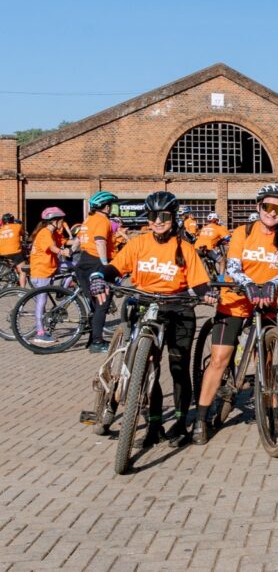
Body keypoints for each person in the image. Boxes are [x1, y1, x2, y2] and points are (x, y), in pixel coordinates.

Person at [90, 192, 215, 448]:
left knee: (178, 368)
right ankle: (154, 426)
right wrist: (98, 276)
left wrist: (209, 294)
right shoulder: (138, 244)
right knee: (149, 368)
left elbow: (200, 282)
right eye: (152, 216)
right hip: (146, 306)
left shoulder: (184, 247)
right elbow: (114, 268)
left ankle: (180, 423)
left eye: (164, 216)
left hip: (178, 308)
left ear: (173, 218)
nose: (158, 221)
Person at [193, 184, 278, 445]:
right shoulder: (243, 232)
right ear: (258, 206)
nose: (272, 212)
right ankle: (201, 418)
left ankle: (272, 414)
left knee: (266, 363)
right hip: (235, 300)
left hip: (265, 302)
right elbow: (232, 266)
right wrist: (248, 283)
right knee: (219, 359)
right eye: (267, 206)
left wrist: (272, 284)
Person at [77, 190, 119, 353]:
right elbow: (100, 242)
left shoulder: (88, 220)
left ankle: (92, 338)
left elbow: (79, 240)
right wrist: (105, 264)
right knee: (102, 304)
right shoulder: (103, 221)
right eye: (111, 206)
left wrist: (69, 252)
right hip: (96, 263)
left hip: (84, 260)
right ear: (107, 207)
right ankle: (97, 342)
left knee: (95, 305)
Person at [27, 207, 72, 345]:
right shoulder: (45, 232)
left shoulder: (54, 233)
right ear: (54, 221)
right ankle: (40, 333)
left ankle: (61, 293)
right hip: (41, 270)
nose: (63, 223)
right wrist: (62, 252)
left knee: (74, 267)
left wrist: (81, 241)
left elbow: (64, 242)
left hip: (51, 267)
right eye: (61, 220)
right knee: (42, 301)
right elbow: (52, 247)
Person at [195, 211, 230, 276]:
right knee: (222, 261)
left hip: (197, 247)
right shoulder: (219, 228)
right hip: (208, 248)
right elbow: (227, 238)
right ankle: (221, 279)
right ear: (216, 220)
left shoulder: (204, 227)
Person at [0, 212, 27, 287]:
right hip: (14, 252)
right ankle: (22, 290)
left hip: (2, 252)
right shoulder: (17, 226)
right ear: (12, 220)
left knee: (11, 264)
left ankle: (12, 277)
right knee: (23, 271)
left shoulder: (0, 229)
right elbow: (23, 234)